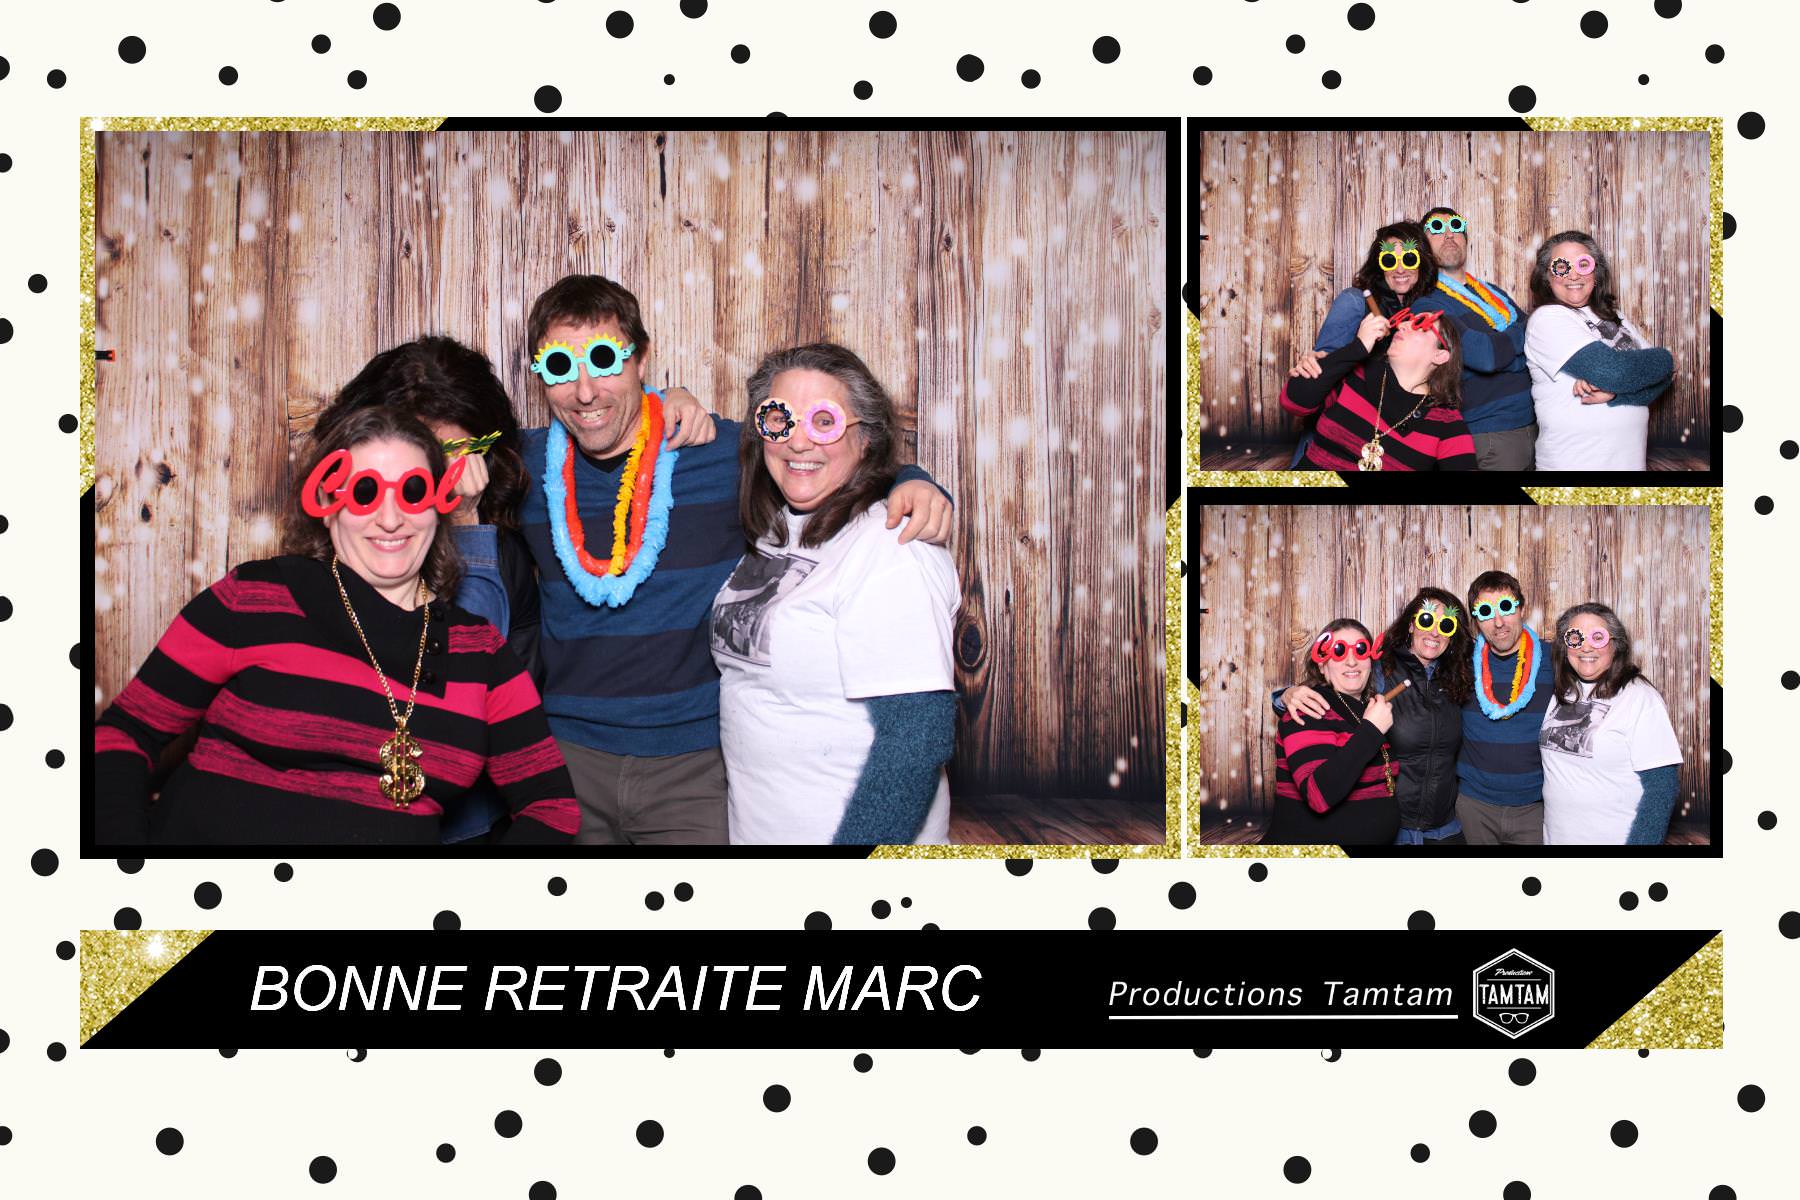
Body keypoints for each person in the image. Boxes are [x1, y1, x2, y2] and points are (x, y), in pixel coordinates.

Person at [511, 275, 953, 845]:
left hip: (693, 766)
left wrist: (915, 481)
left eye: (603, 359)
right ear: (540, 377)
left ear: (641, 358)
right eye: (559, 367)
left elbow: (822, 454)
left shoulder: (724, 453)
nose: (586, 390)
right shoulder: (520, 467)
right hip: (569, 756)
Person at [92, 405, 580, 845]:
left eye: (412, 492)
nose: (390, 519)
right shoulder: (255, 597)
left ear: (438, 504)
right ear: (328, 506)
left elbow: (552, 808)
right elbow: (124, 733)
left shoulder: (481, 652)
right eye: (365, 493)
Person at [310, 336, 712, 843]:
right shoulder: (336, 547)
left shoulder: (503, 540)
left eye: (456, 453)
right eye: (419, 454)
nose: (435, 475)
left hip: (469, 819)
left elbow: (464, 683)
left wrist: (667, 400)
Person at [711, 343, 960, 845]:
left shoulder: (891, 547)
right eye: (779, 419)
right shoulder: (780, 528)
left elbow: (915, 741)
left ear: (865, 438)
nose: (798, 441)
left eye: (824, 421)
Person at [1277, 589, 1473, 845]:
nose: (1435, 632)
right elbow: (1335, 687)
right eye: (1427, 620)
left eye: (1445, 625)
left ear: (1452, 635)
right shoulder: (1380, 670)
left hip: (1444, 827)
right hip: (1398, 828)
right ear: (1411, 624)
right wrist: (1285, 695)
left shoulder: (1457, 678)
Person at [1290, 222, 1441, 465]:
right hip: (1339, 435)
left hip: (1389, 441)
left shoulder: (1425, 312)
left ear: (1422, 261)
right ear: (1379, 265)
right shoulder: (1354, 301)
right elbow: (1321, 371)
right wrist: (1353, 348)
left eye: (1409, 259)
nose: (1400, 268)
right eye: (1389, 260)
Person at [1523, 231, 1675, 471]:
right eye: (1561, 267)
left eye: (1583, 264)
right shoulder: (1547, 319)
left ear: (1596, 273)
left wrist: (1617, 395)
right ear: (1547, 277)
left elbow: (1665, 378)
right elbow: (1613, 372)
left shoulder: (1616, 318)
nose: (1573, 274)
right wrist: (1666, 358)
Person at [1540, 603, 1682, 844]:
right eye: (1575, 638)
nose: (1586, 647)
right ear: (1565, 647)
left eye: (1598, 637)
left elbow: (1662, 786)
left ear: (1616, 644)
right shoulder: (1563, 691)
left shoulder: (1640, 697)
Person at [1411, 207, 1537, 471]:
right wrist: (1516, 354)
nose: (1449, 234)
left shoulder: (1493, 294)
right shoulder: (1427, 304)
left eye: (1456, 226)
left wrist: (1504, 352)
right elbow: (1485, 356)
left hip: (1534, 425)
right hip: (1490, 434)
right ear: (1423, 247)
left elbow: (1537, 333)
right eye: (1436, 229)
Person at [1280, 304, 1476, 471]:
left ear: (1440, 356)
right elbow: (1293, 402)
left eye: (1420, 324)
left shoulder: (1446, 422)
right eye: (1406, 320)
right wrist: (1356, 349)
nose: (1402, 325)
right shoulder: (1356, 374)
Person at [1265, 619, 1399, 846]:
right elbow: (1318, 795)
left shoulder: (1366, 710)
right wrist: (1371, 731)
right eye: (1338, 651)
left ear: (1370, 660)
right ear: (1321, 665)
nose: (1351, 661)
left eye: (1360, 649)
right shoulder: (1307, 709)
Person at [1453, 570, 1557, 845]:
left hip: (1535, 808)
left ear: (1522, 609)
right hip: (1473, 807)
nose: (1498, 622)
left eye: (1506, 607)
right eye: (1486, 612)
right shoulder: (1460, 664)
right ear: (1476, 620)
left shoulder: (1554, 660)